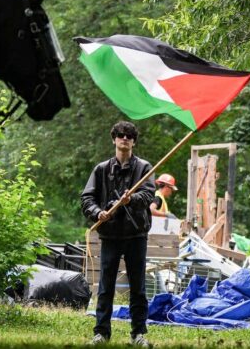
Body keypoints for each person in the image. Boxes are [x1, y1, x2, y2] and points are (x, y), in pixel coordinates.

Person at [81, 121, 155, 347]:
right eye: (121, 135)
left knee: (138, 287)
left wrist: (131, 199)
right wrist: (98, 213)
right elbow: (87, 199)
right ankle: (101, 332)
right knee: (106, 286)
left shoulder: (144, 168)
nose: (125, 138)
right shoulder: (101, 169)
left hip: (135, 236)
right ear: (114, 139)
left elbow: (149, 194)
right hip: (110, 236)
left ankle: (138, 334)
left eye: (129, 136)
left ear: (133, 142)